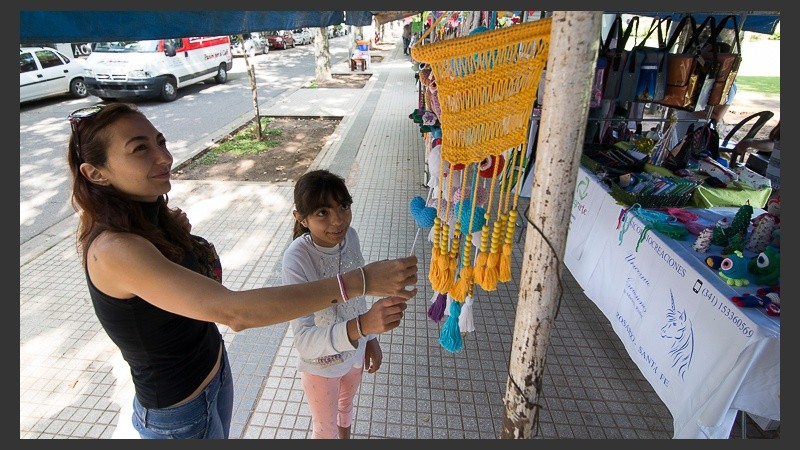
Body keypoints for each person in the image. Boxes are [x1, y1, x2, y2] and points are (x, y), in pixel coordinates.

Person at [66, 103, 418, 439]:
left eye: (161, 141)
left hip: (214, 372)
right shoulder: (115, 249)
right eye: (139, 149)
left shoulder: (151, 218)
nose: (165, 157)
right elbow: (234, 312)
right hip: (179, 410)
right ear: (95, 173)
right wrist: (364, 282)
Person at [281, 169, 388, 439]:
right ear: (301, 219)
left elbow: (359, 294)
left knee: (346, 405)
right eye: (322, 213)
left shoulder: (350, 237)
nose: (338, 220)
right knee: (325, 429)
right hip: (321, 364)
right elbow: (304, 340)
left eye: (343, 206)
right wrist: (362, 327)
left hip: (356, 352)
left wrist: (371, 338)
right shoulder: (297, 258)